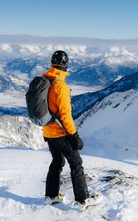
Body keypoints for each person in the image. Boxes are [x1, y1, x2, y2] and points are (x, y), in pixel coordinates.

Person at [42, 50, 101, 208]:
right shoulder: (60, 85)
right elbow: (65, 115)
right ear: (66, 65)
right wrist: (74, 135)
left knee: (57, 161)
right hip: (60, 132)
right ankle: (83, 200)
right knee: (76, 163)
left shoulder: (44, 80)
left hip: (47, 130)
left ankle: (51, 196)